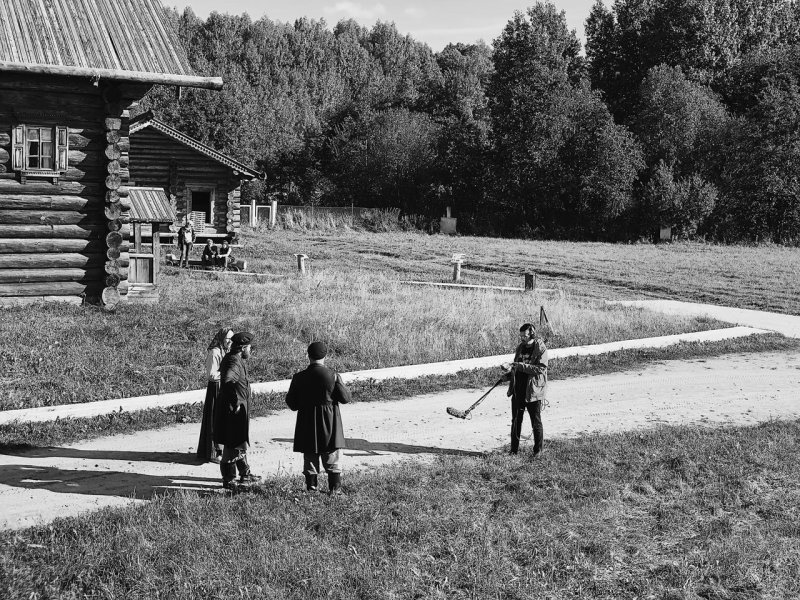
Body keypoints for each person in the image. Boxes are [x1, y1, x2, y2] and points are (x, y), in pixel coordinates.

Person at [285, 341, 351, 495]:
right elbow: (345, 398)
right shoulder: (333, 376)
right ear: (325, 356)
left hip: (307, 421)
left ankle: (311, 488)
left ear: (308, 356)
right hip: (329, 421)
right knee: (332, 454)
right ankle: (335, 489)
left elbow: (292, 404)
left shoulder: (298, 377)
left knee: (310, 454)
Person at [215, 331, 261, 489]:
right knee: (232, 445)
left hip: (237, 409)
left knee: (239, 442)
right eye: (249, 347)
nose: (250, 350)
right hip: (233, 411)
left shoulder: (235, 358)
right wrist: (236, 403)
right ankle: (229, 480)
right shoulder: (234, 361)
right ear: (243, 348)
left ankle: (245, 474)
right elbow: (228, 381)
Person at [505, 322, 549, 456]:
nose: (522, 338)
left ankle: (538, 451)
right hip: (518, 389)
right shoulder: (520, 347)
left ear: (532, 334)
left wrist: (520, 366)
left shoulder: (540, 348)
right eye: (521, 336)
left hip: (533, 391)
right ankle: (513, 451)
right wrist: (507, 375)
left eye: (524, 336)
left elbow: (541, 368)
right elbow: (516, 368)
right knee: (516, 421)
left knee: (535, 422)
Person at [196, 328, 233, 463]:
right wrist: (227, 374)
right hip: (216, 388)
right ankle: (212, 452)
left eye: (232, 339)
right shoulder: (214, 353)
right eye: (228, 338)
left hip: (223, 387)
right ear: (222, 338)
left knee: (222, 420)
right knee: (214, 419)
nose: (230, 341)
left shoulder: (225, 351)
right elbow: (211, 375)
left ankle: (220, 450)